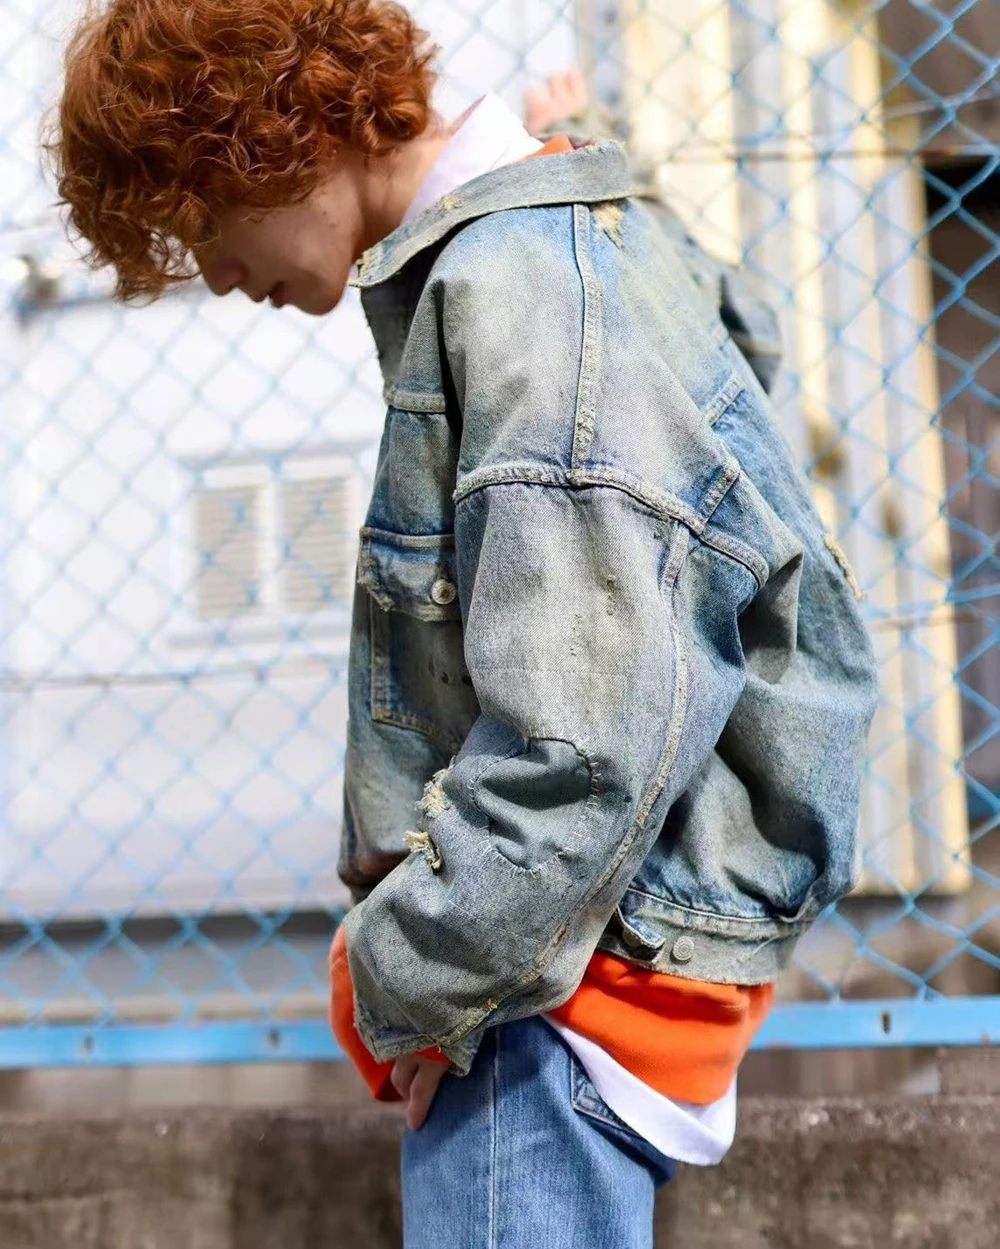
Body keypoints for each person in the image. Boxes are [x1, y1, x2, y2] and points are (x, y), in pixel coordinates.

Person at [53, 3, 879, 1246]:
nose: (214, 274)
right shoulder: (574, 242)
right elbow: (738, 359)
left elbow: (581, 743)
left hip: (543, 1000)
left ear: (269, 132)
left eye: (199, 218)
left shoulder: (528, 294)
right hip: (575, 969)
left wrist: (398, 974)